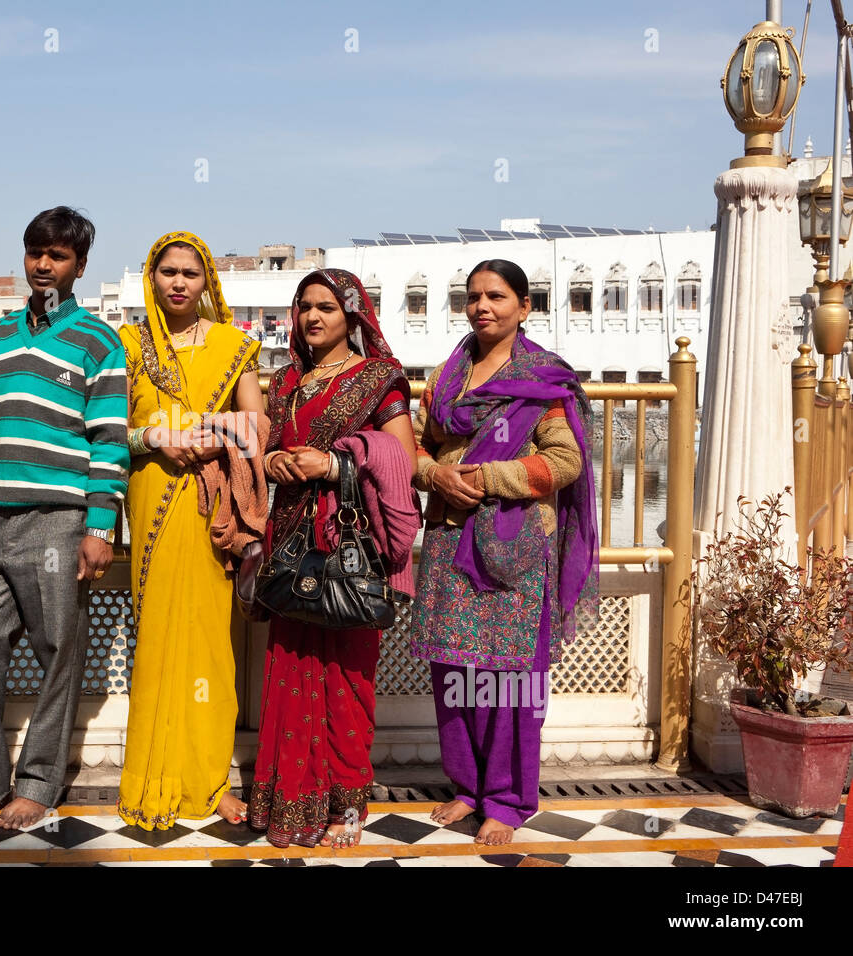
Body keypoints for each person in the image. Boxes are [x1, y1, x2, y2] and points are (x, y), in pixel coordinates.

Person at [0, 207, 129, 831]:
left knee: (56, 651)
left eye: (59, 255)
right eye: (35, 252)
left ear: (79, 265)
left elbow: (110, 443)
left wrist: (100, 528)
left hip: (58, 523)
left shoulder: (100, 341)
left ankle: (39, 782)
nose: (44, 264)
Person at [410, 258, 597, 846]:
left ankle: (510, 799)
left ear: (524, 306)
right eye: (473, 297)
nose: (481, 306)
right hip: (447, 540)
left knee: (509, 679)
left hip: (513, 550)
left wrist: (488, 478)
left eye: (495, 296)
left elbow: (565, 463)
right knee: (454, 671)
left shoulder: (542, 380)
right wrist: (433, 475)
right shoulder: (446, 376)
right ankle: (467, 788)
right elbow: (416, 445)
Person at [249, 268, 418, 849]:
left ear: (353, 314)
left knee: (347, 676)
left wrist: (335, 464)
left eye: (326, 307)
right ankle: (291, 800)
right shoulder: (287, 382)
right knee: (290, 669)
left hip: (349, 547)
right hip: (293, 546)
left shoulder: (379, 380)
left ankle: (347, 801)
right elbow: (270, 447)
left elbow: (404, 458)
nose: (312, 318)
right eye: (304, 308)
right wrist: (274, 463)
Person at [115, 231, 264, 831]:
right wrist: (154, 437)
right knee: (155, 640)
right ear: (152, 277)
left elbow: (255, 429)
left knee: (207, 642)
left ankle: (207, 781)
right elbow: (107, 428)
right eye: (168, 271)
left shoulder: (234, 345)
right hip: (151, 495)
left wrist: (206, 431)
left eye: (191, 273)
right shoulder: (128, 344)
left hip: (210, 509)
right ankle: (153, 775)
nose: (179, 282)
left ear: (208, 282)